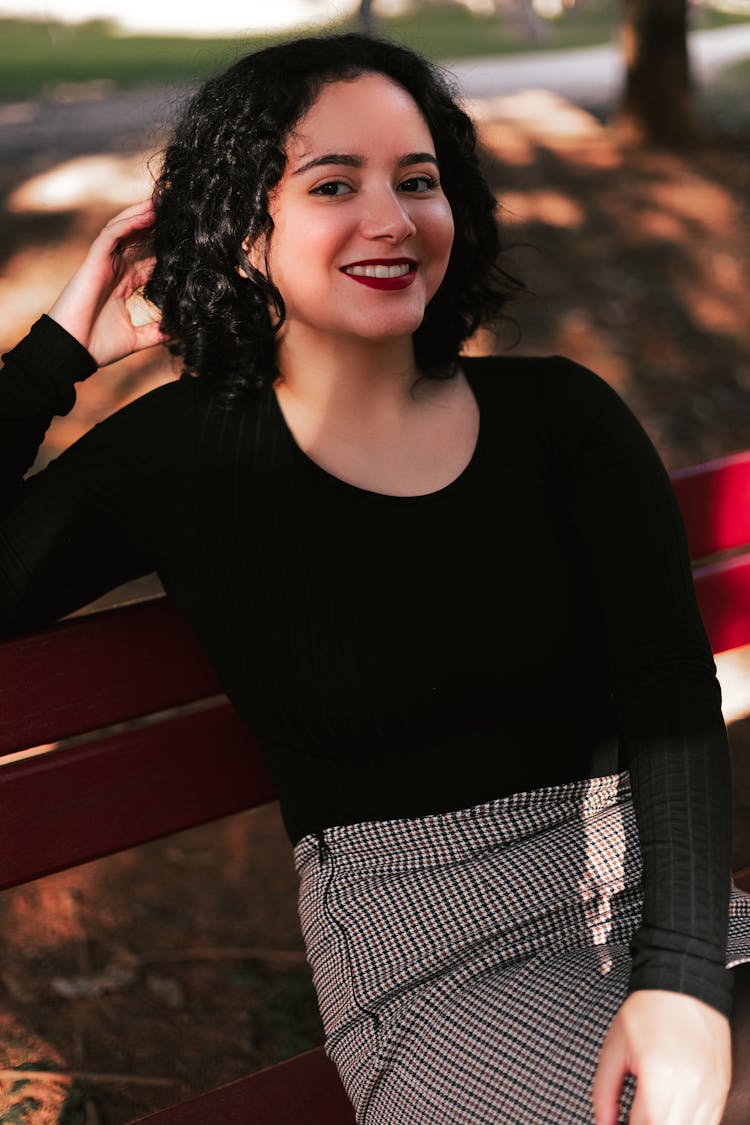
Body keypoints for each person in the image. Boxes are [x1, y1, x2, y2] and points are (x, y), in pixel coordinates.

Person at [1, 32, 749, 1125]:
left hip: (659, 904)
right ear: (242, 228)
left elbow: (671, 690)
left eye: (418, 180)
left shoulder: (560, 418)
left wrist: (679, 976)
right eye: (332, 184)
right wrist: (57, 351)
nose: (392, 220)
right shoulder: (181, 458)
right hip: (431, 961)